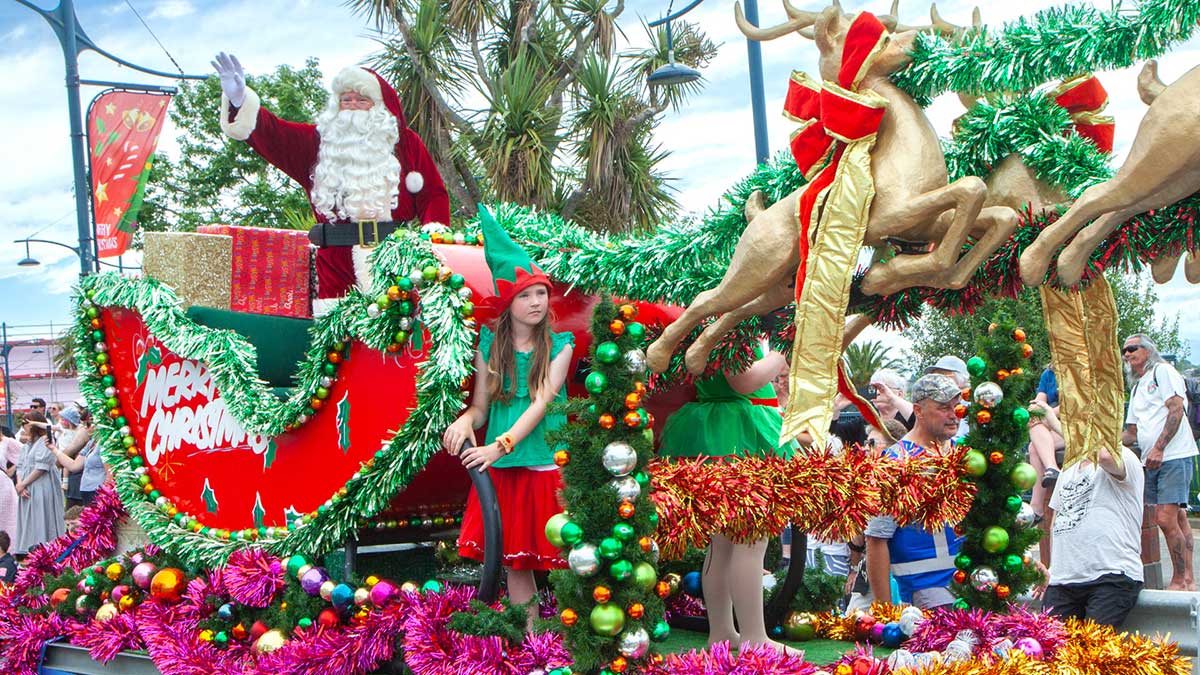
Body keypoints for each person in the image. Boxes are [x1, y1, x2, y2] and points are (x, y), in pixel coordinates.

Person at [212, 52, 450, 315]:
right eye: (346, 100)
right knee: (338, 347)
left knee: (398, 339)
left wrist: (434, 240)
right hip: (335, 267)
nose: (352, 106)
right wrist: (239, 100)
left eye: (361, 100)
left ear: (380, 106)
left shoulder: (405, 144)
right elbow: (275, 133)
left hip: (395, 262)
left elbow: (433, 196)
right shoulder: (317, 145)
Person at [442, 207, 574, 629]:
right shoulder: (490, 346)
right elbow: (482, 406)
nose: (537, 302)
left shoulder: (560, 346)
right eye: (525, 295)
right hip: (502, 466)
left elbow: (540, 403)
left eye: (541, 293)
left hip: (543, 461)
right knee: (517, 561)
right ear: (507, 301)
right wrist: (466, 421)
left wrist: (499, 445)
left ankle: (581, 640)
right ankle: (535, 638)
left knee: (566, 555)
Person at [658, 340, 796, 655]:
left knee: (721, 544)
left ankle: (722, 632)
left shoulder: (713, 320)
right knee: (750, 539)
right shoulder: (734, 322)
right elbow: (744, 379)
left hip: (719, 429)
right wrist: (782, 351)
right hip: (740, 432)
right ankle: (754, 637)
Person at [1031, 401, 1144, 627]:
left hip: (1110, 576)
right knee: (1053, 656)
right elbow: (1059, 520)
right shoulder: (1069, 469)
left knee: (1091, 657)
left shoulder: (1122, 456)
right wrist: (1052, 567)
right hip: (1063, 581)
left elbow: (1103, 455)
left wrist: (1054, 423)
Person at [865, 374, 966, 609]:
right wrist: (885, 611)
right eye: (943, 408)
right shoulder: (894, 462)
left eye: (956, 407)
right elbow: (876, 538)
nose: (953, 414)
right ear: (918, 411)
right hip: (925, 591)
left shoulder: (966, 454)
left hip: (976, 583)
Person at [1123, 333, 1198, 591]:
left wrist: (1159, 447)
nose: (1127, 354)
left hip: (1173, 455)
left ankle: (1178, 580)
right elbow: (1131, 432)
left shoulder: (1162, 372)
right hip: (1150, 460)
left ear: (1147, 350)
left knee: (1165, 519)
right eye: (1124, 351)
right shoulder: (1136, 386)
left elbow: (1177, 409)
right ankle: (1188, 579)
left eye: (1132, 348)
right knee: (1177, 517)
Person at [13, 412, 64, 554]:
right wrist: (20, 484)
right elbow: (20, 466)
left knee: (42, 516)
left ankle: (46, 550)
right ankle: (28, 551)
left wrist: (24, 484)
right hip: (26, 486)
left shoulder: (46, 440)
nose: (24, 427)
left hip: (42, 484)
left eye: (27, 423)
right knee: (28, 520)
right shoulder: (27, 445)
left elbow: (41, 467)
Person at [52, 408, 106, 506]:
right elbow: (74, 466)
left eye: (88, 424)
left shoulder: (106, 444)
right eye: (84, 424)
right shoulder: (91, 443)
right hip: (87, 492)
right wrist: (54, 449)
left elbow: (109, 476)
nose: (85, 428)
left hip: (98, 493)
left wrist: (105, 498)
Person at [924, 355, 971, 439]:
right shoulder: (931, 406)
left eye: (945, 377)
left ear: (962, 381)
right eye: (935, 377)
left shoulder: (974, 409)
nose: (938, 382)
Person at [55, 406, 91, 508]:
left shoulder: (82, 432)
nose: (86, 427)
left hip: (79, 481)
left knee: (75, 513)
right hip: (80, 481)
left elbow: (69, 452)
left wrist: (58, 459)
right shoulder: (84, 435)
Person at [0, 428, 17, 550]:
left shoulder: (5, 442)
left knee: (6, 522)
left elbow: (25, 454)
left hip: (3, 488)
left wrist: (10, 472)